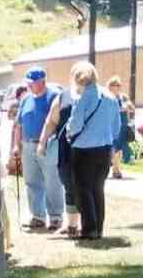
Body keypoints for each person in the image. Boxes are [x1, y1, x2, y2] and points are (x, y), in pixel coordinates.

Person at [40, 62, 120, 241]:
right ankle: (98, 229)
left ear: (78, 80)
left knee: (83, 189)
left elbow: (75, 124)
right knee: (98, 189)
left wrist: (69, 133)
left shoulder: (84, 97)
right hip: (104, 149)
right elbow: (116, 127)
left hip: (84, 151)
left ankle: (89, 229)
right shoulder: (109, 96)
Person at [13, 66, 67, 231]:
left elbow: (56, 122)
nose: (29, 86)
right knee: (31, 181)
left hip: (48, 144)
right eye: (28, 83)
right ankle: (38, 216)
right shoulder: (26, 99)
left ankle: (56, 216)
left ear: (42, 82)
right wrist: (16, 145)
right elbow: (18, 125)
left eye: (32, 83)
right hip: (28, 145)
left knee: (52, 181)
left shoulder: (54, 97)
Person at [108, 76, 135, 178]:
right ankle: (116, 170)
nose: (118, 87)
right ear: (110, 86)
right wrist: (120, 109)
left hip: (123, 125)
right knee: (115, 147)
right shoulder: (108, 97)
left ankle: (116, 169)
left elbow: (132, 109)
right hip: (113, 125)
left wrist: (129, 107)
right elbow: (107, 111)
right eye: (116, 85)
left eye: (119, 85)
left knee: (119, 149)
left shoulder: (123, 97)